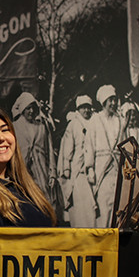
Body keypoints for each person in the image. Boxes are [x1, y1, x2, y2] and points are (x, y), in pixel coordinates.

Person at [84, 84, 123, 227]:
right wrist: (90, 168)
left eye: (115, 99)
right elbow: (89, 145)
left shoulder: (120, 121)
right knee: (103, 204)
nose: (113, 103)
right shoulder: (95, 120)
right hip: (101, 167)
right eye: (110, 100)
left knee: (117, 205)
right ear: (104, 102)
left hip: (117, 167)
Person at [58, 95, 97, 228]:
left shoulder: (94, 122)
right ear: (78, 109)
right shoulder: (74, 124)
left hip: (92, 168)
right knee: (81, 201)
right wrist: (67, 167)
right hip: (77, 168)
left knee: (92, 201)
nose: (86, 110)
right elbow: (68, 147)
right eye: (83, 108)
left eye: (88, 107)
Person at [11, 92, 56, 203]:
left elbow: (50, 149)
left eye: (33, 108)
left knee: (43, 200)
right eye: (28, 108)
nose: (31, 111)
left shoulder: (41, 126)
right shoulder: (15, 127)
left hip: (41, 170)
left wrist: (52, 172)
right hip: (22, 170)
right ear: (22, 110)